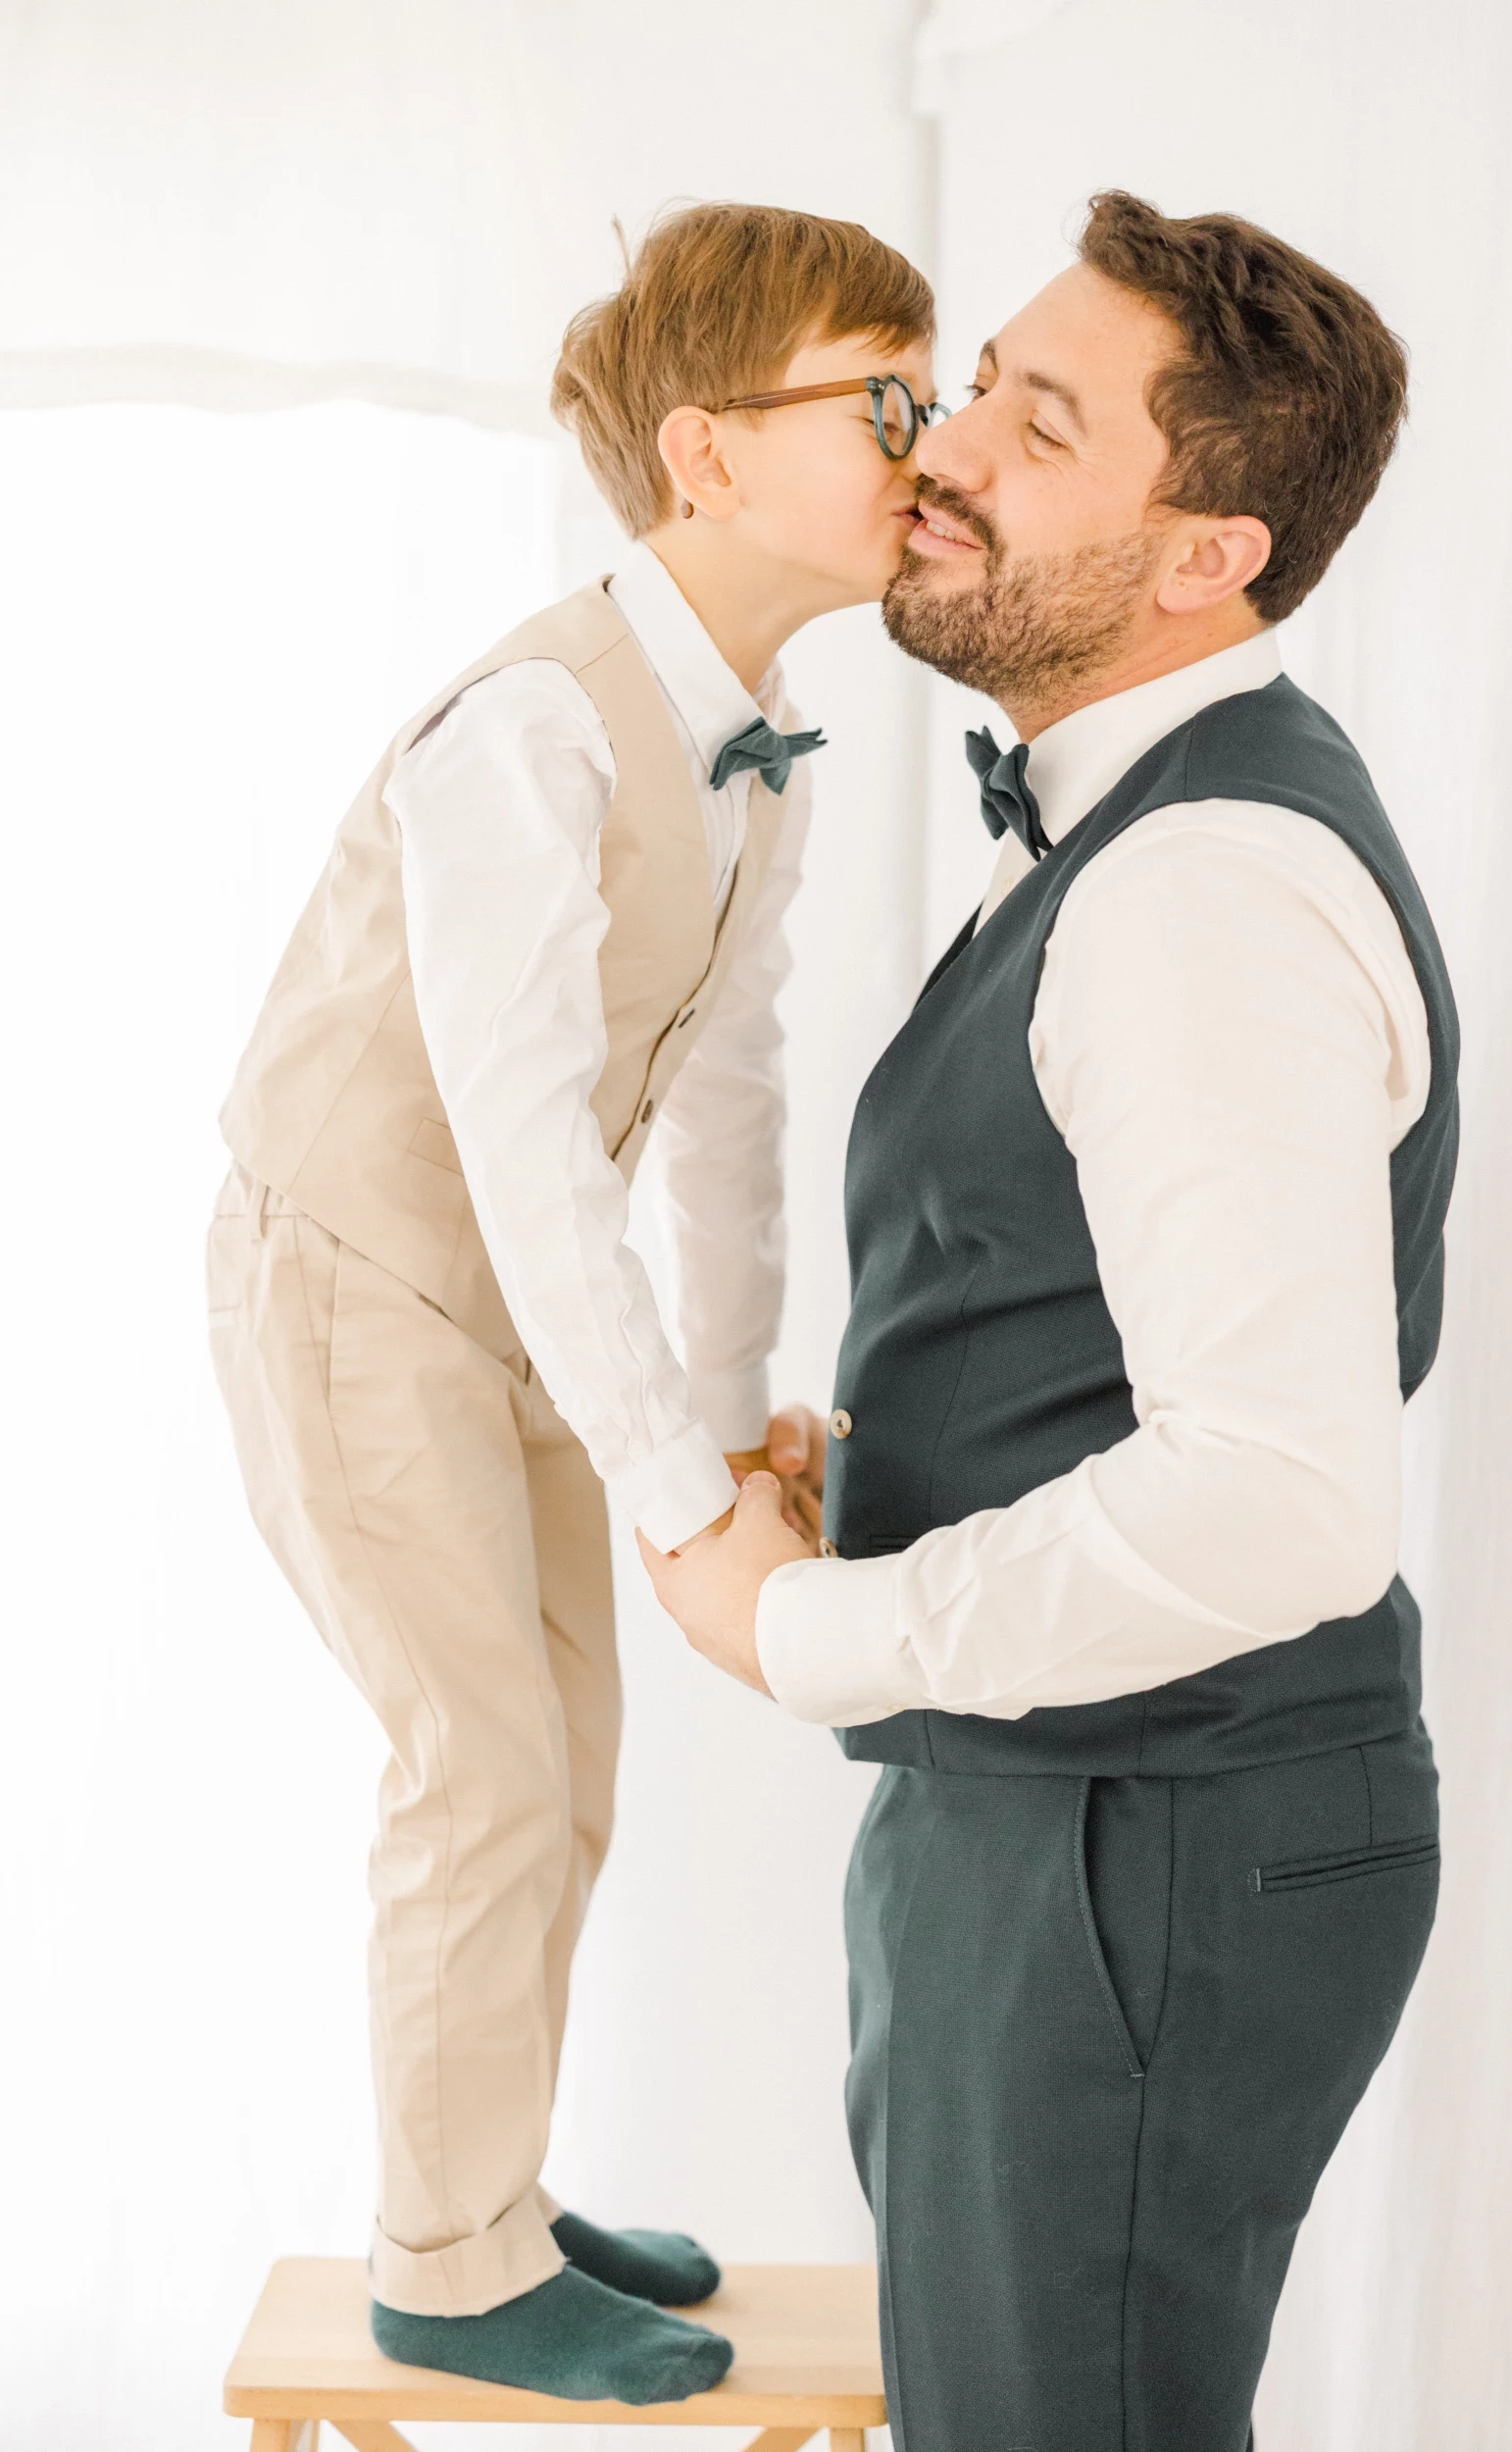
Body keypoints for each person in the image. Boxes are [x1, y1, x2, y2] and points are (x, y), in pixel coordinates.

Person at [643, 190, 1458, 2450]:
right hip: (1073, 1814)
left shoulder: (1199, 880)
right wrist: (896, 1450)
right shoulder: (1122, 831)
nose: (942, 445)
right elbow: (1121, 1331)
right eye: (975, 378)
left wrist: (813, 1624)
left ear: (1205, 553)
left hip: (1139, 1835)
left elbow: (1280, 1498)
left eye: (1037, 418)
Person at [207, 200, 935, 2405]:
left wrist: (711, 1419)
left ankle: (487, 2186)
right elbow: (525, 1134)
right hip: (355, 1278)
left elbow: (722, 1081)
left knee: (565, 1758)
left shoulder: (762, 736)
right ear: (706, 455)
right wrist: (676, 1487)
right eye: (879, 398)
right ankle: (442, 2256)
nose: (929, 438)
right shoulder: (533, 724)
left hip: (515, 1294)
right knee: (482, 1761)